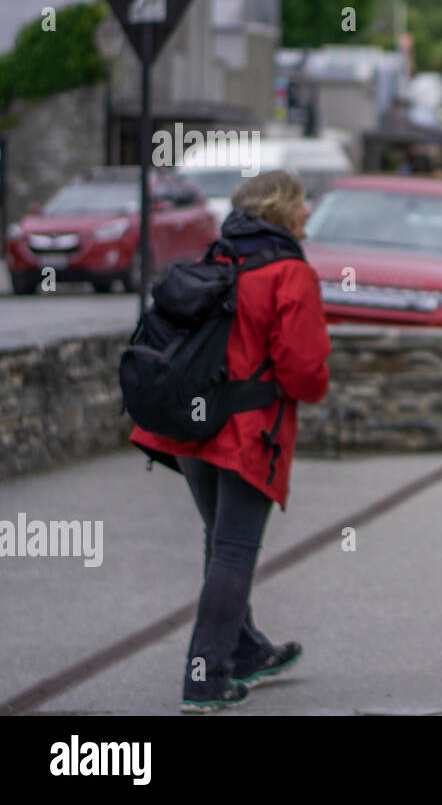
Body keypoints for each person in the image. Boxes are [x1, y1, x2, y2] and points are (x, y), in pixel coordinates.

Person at [130, 170, 331, 713]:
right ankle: (206, 676)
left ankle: (245, 653)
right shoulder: (289, 272)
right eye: (303, 202)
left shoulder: (217, 257)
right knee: (235, 551)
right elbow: (304, 373)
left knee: (221, 544)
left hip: (193, 429)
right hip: (248, 433)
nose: (308, 212)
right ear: (283, 211)